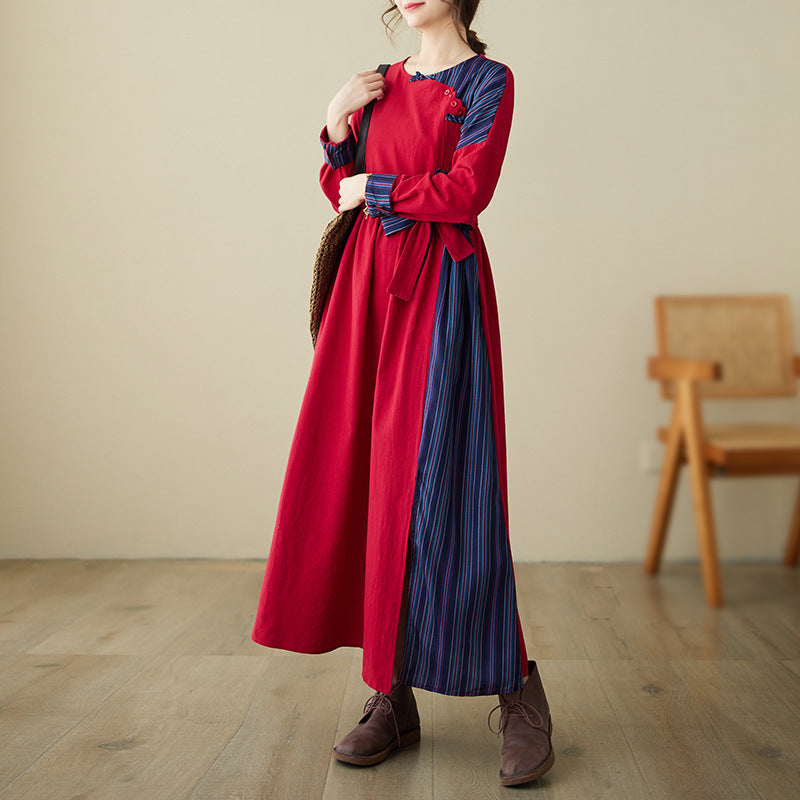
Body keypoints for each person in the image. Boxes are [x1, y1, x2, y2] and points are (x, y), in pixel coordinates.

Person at [252, 0, 555, 787]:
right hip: (365, 294)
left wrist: (372, 186)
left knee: (453, 488)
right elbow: (340, 191)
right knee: (365, 482)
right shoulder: (376, 85)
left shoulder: (489, 81)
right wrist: (334, 122)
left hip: (441, 292)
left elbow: (466, 192)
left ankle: (517, 689)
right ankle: (391, 693)